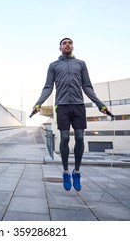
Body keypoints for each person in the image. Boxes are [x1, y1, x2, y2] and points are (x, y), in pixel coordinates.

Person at [32, 38, 111, 191]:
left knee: (80, 137)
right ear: (60, 47)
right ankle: (66, 172)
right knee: (65, 137)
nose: (67, 44)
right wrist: (38, 104)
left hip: (78, 106)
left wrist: (100, 104)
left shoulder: (80, 64)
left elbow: (87, 86)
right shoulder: (53, 66)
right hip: (62, 106)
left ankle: (77, 172)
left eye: (70, 43)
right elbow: (48, 87)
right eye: (64, 43)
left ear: (73, 46)